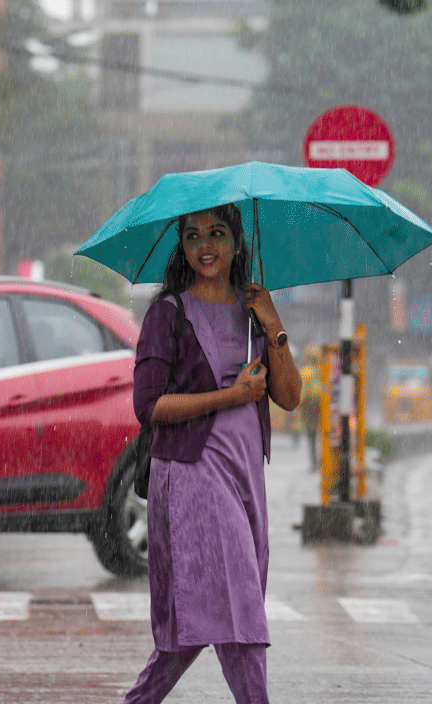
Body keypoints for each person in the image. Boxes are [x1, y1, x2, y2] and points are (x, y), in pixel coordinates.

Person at [125, 203, 302, 704]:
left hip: (245, 479)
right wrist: (229, 397)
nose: (206, 246)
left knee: (196, 626)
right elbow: (149, 405)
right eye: (194, 236)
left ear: (237, 243)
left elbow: (289, 396)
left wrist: (275, 327)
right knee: (240, 611)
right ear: (181, 247)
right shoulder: (168, 314)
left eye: (218, 234)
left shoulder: (253, 315)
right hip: (190, 478)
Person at [298, 344, 322, 471]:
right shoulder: (323, 370)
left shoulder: (305, 371)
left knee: (311, 435)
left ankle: (314, 463)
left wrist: (299, 406)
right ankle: (323, 461)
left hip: (310, 405)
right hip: (323, 404)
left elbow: (303, 392)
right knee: (324, 435)